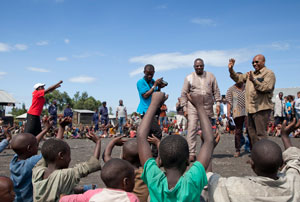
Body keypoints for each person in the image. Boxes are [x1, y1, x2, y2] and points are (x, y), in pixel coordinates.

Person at [138, 92, 214, 202]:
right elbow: (209, 141)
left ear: (161, 161)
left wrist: (153, 104)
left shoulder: (154, 178)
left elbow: (141, 137)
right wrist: (200, 106)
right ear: (188, 161)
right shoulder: (192, 181)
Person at [205, 118, 300, 202]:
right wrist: (285, 137)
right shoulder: (293, 184)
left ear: (252, 165)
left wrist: (208, 146)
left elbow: (208, 181)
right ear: (281, 164)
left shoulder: (235, 187)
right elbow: (294, 161)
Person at [32, 121, 101, 202]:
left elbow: (50, 150)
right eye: (68, 156)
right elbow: (91, 165)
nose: (70, 159)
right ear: (61, 155)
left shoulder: (36, 171)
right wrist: (98, 143)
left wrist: (61, 128)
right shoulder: (65, 175)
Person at [228, 55, 276, 145]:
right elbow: (238, 78)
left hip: (261, 108)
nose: (254, 64)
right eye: (253, 62)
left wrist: (254, 80)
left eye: (257, 62)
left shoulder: (269, 73)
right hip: (250, 110)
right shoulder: (250, 74)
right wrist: (231, 70)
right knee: (251, 134)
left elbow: (266, 88)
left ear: (263, 62)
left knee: (261, 134)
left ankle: (264, 156)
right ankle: (256, 156)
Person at [181, 58, 221, 162]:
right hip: (193, 106)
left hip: (207, 106)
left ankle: (205, 150)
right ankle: (191, 153)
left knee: (206, 129)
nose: (199, 67)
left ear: (204, 66)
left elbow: (216, 91)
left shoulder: (211, 76)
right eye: (197, 66)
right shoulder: (189, 77)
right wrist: (184, 108)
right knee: (192, 128)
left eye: (201, 66)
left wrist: (218, 103)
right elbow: (184, 94)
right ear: (194, 67)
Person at [10, 119, 53, 202]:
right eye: (36, 146)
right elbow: (53, 150)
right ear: (29, 148)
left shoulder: (14, 160)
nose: (37, 146)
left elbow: (33, 141)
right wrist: (61, 128)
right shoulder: (31, 163)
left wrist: (45, 130)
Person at [60, 158, 139, 202]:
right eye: (133, 179)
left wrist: (63, 197)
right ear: (126, 182)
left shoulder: (92, 194)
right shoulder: (131, 198)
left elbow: (65, 200)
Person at [103, 137, 149, 202]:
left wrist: (113, 142)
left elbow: (106, 156)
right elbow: (160, 160)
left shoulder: (119, 170)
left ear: (123, 156)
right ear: (141, 157)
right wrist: (157, 143)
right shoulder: (148, 173)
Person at [136, 64, 167, 157]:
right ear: (144, 72)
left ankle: (145, 154)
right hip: (146, 111)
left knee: (149, 133)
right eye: (148, 74)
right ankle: (154, 155)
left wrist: (160, 86)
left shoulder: (153, 81)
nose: (150, 76)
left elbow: (156, 93)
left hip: (153, 110)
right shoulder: (140, 82)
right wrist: (155, 85)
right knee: (157, 132)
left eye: (152, 74)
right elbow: (145, 95)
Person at [226, 73, 247, 157]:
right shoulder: (231, 89)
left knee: (249, 129)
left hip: (247, 111)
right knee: (238, 130)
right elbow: (229, 102)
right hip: (237, 112)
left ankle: (252, 148)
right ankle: (237, 149)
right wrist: (228, 113)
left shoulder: (247, 87)